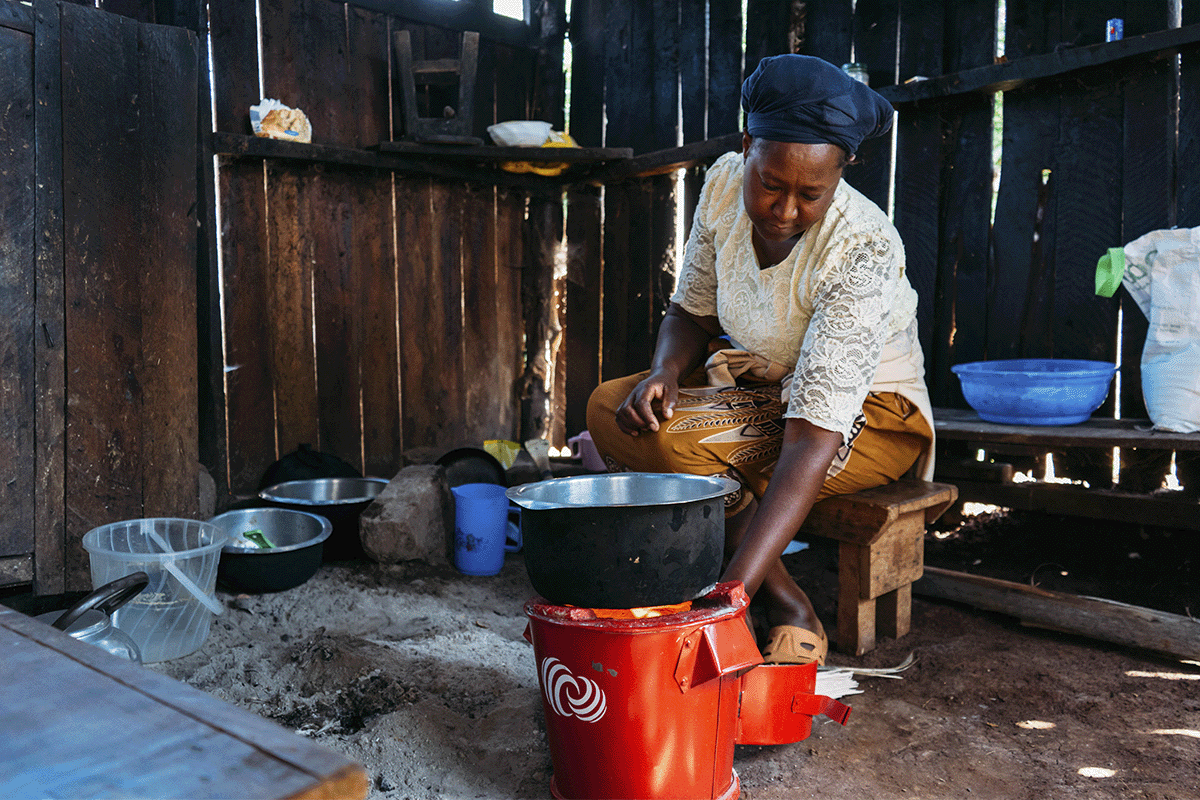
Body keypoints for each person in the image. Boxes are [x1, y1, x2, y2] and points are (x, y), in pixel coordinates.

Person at [586, 54, 936, 666]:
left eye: (811, 194)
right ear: (747, 145)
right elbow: (691, 311)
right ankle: (790, 593)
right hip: (771, 394)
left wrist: (730, 598)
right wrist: (666, 371)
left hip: (873, 414)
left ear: (842, 173)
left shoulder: (862, 247)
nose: (786, 209)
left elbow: (810, 439)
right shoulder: (722, 183)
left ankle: (779, 602)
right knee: (611, 407)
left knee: (677, 449)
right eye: (772, 184)